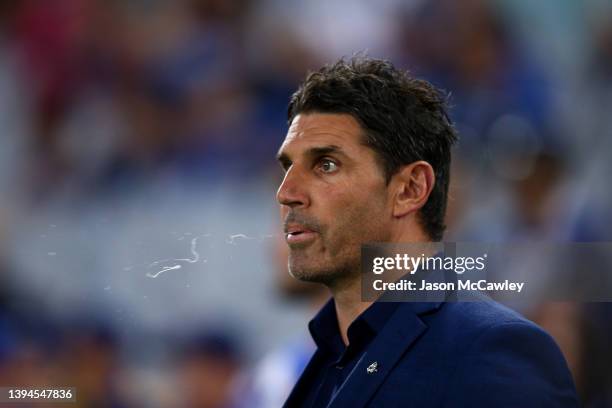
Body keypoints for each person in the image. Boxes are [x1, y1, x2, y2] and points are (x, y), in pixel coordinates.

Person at [275, 56, 579, 407]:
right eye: (287, 167)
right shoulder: (322, 361)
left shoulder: (492, 351)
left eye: (326, 165)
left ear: (410, 189)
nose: (286, 193)